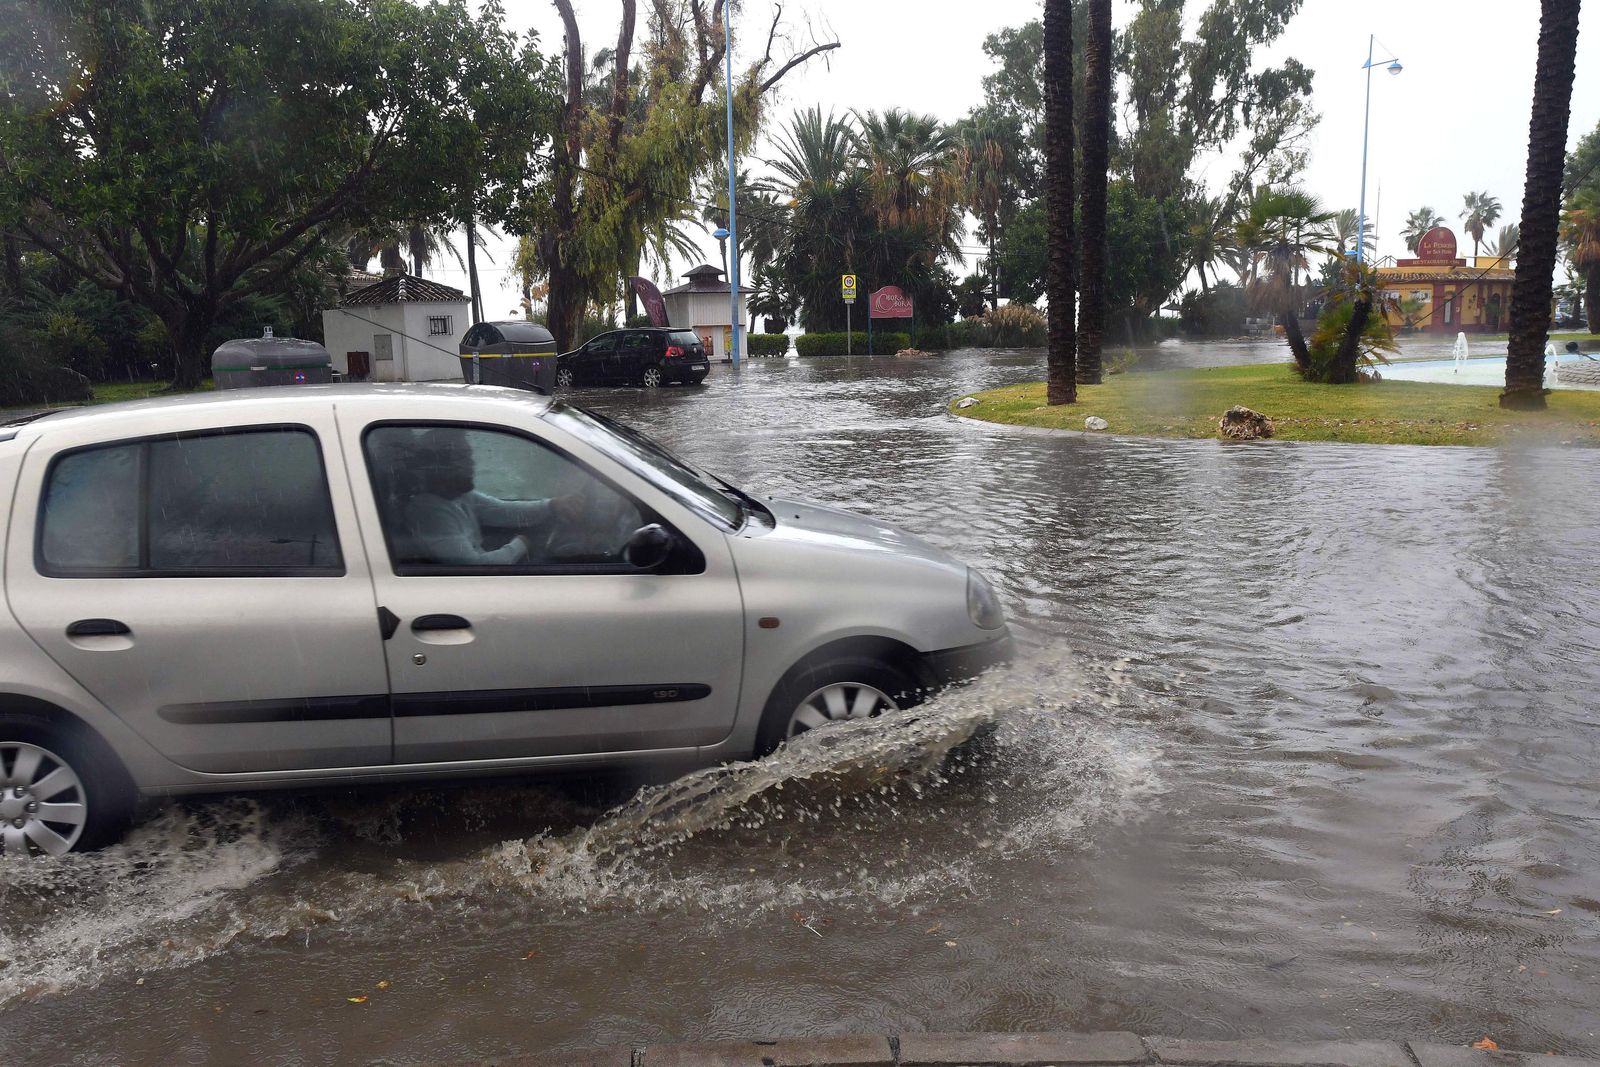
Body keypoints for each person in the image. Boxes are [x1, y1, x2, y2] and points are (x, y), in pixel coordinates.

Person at [401, 429, 585, 566]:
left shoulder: (459, 496)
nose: (472, 463)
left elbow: (503, 511)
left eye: (469, 456)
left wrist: (551, 505)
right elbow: (474, 567)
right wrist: (521, 544)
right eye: (463, 457)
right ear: (441, 466)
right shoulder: (430, 514)